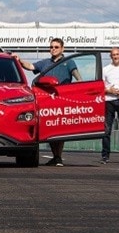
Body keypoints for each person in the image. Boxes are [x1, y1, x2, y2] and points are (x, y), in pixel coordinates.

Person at [13, 38, 81, 167]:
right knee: (50, 128)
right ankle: (55, 157)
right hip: (48, 101)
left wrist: (74, 91)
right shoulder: (45, 63)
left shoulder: (69, 62)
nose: (53, 49)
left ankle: (58, 157)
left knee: (60, 129)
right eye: (51, 47)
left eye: (56, 47)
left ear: (62, 49)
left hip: (62, 100)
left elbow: (78, 78)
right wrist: (19, 60)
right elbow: (31, 66)